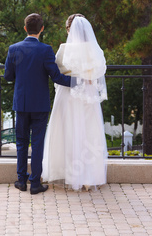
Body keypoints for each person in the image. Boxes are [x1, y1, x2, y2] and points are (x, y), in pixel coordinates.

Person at [4, 13, 71, 195]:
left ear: (25, 28)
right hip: (40, 104)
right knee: (38, 143)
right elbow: (57, 77)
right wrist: (78, 82)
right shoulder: (46, 50)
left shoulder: (13, 49)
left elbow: (8, 76)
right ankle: (35, 183)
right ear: (42, 29)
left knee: (21, 142)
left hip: (21, 103)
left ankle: (21, 180)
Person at [42, 14, 108, 191]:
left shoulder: (64, 49)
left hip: (68, 93)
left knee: (67, 132)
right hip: (88, 94)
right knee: (88, 132)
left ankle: (68, 173)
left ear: (69, 29)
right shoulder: (94, 50)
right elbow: (98, 74)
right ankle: (89, 176)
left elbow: (56, 73)